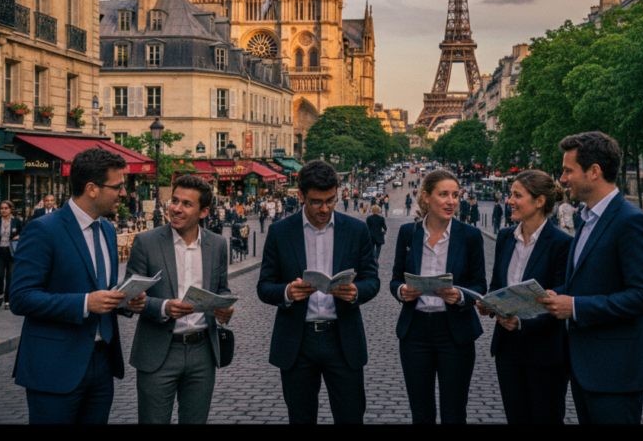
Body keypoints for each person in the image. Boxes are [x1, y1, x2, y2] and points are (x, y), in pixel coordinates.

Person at [9, 148, 146, 424]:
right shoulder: (43, 229)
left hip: (101, 363)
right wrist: (85, 303)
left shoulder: (107, 229)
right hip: (54, 367)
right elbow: (21, 298)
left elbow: (100, 288)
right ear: (92, 188)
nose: (124, 193)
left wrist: (123, 301)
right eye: (118, 186)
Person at [537, 131, 643, 424]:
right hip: (585, 368)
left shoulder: (632, 221)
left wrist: (575, 307)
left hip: (615, 373)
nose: (562, 179)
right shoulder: (587, 218)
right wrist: (554, 296)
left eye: (568, 170)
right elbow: (586, 282)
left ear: (594, 172)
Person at [256, 160, 380, 424]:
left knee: (350, 416)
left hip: (343, 338)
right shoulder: (280, 231)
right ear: (300, 196)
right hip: (297, 341)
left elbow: (373, 279)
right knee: (300, 418)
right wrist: (288, 292)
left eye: (331, 200)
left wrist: (356, 291)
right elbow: (264, 286)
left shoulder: (356, 230)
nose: (325, 208)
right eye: (316, 202)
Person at [125, 175, 234, 424]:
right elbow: (127, 296)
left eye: (186, 204)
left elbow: (222, 289)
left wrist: (224, 306)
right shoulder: (146, 242)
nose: (175, 208)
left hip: (203, 351)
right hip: (159, 350)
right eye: (174, 200)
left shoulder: (217, 244)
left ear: (203, 211)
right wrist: (164, 307)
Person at [391, 169, 487, 424]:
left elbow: (480, 285)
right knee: (421, 412)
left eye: (455, 195)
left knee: (454, 412)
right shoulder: (407, 233)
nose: (451, 201)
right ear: (426, 197)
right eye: (443, 194)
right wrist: (402, 291)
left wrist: (460, 296)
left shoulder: (470, 236)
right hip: (415, 331)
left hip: (454, 331)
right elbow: (395, 279)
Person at [480, 170, 572, 423]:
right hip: (507, 349)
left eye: (517, 195)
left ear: (540, 201)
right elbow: (498, 284)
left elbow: (561, 299)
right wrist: (489, 304)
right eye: (511, 194)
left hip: (545, 352)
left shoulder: (562, 243)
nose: (509, 200)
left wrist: (522, 322)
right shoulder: (504, 237)